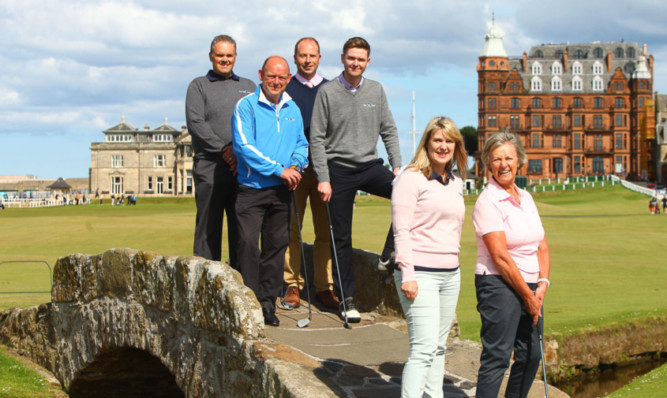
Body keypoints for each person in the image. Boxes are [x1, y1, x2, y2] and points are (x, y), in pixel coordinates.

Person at [310, 37, 402, 322]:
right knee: (341, 236)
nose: (356, 63)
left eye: (361, 59)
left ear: (368, 62)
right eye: (351, 58)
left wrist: (398, 167)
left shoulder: (376, 89)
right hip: (338, 169)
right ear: (342, 58)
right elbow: (316, 138)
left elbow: (389, 130)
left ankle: (389, 254)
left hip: (370, 166)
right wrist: (323, 178)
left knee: (409, 195)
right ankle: (347, 299)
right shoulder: (327, 92)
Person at [392, 117, 467, 397]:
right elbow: (401, 230)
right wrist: (408, 275)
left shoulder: (456, 181)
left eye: (449, 141)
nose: (443, 146)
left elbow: (454, 230)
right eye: (438, 140)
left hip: (450, 274)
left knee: (438, 347)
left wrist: (455, 272)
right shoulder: (410, 177)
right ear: (426, 143)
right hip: (419, 274)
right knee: (423, 349)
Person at [473, 129, 551, 397]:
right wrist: (528, 297)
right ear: (488, 164)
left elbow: (541, 244)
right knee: (497, 357)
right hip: (498, 284)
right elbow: (501, 257)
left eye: (508, 158)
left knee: (530, 355)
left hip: (531, 285)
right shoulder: (487, 201)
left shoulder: (526, 198)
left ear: (519, 160)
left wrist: (542, 284)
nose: (503, 164)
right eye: (496, 159)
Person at [231, 56, 308, 327]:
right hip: (252, 190)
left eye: (282, 77)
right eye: (271, 76)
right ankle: (249, 303)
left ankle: (266, 304)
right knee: (249, 245)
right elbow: (243, 147)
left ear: (288, 78)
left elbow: (301, 142)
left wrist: (298, 164)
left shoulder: (292, 108)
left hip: (282, 191)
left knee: (276, 248)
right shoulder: (246, 106)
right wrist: (279, 169)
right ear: (262, 74)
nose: (276, 82)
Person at [186, 34, 256, 265]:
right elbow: (196, 124)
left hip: (243, 167)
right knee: (209, 228)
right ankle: (206, 286)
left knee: (242, 228)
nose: (224, 59)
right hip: (210, 166)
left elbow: (257, 122)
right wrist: (226, 150)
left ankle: (242, 285)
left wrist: (239, 152)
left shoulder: (248, 87)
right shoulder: (198, 86)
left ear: (235, 57)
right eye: (220, 55)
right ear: (211, 57)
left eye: (229, 55)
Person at [281, 37, 338, 310]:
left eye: (312, 55)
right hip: (295, 169)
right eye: (302, 55)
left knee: (324, 231)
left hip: (323, 169)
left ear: (319, 57)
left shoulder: (330, 89)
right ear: (295, 58)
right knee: (292, 229)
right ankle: (292, 285)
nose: (307, 60)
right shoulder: (286, 88)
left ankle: (324, 288)